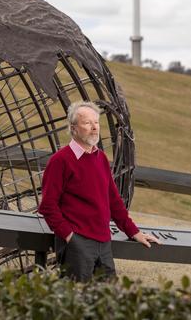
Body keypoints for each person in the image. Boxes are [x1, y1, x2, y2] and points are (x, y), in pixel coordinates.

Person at [38, 100, 161, 281]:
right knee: (75, 302)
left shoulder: (100, 158)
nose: (94, 128)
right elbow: (48, 206)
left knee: (106, 302)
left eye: (96, 122)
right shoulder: (60, 160)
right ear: (73, 128)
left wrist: (134, 232)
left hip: (104, 243)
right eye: (87, 123)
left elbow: (113, 200)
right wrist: (70, 236)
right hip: (76, 244)